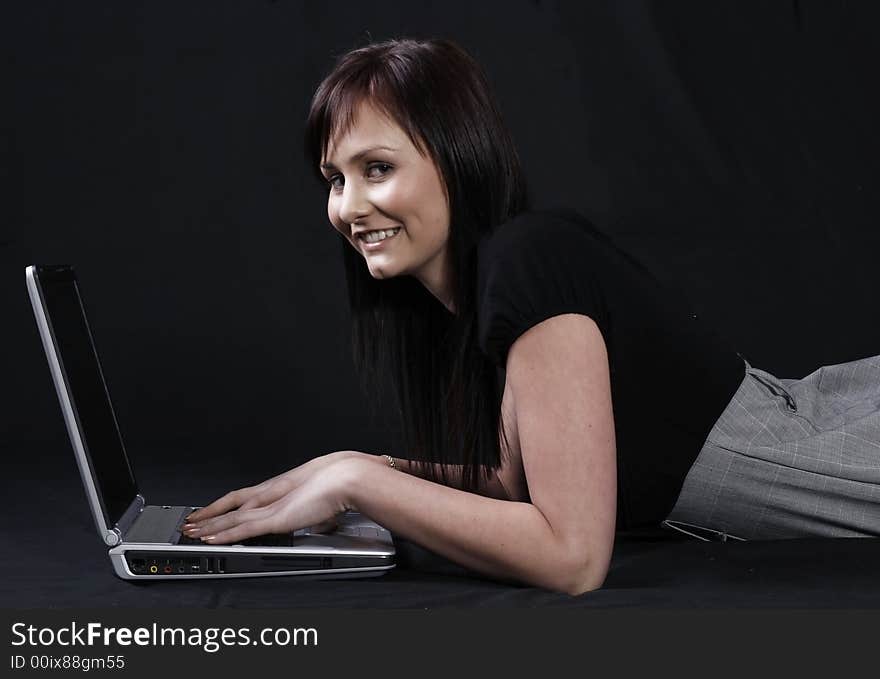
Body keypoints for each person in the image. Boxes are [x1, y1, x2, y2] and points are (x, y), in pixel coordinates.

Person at [182, 38, 880, 595]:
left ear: (457, 158)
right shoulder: (498, 289)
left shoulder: (529, 261)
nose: (349, 207)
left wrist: (357, 484)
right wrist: (358, 464)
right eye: (335, 179)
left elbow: (570, 557)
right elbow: (528, 487)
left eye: (377, 168)